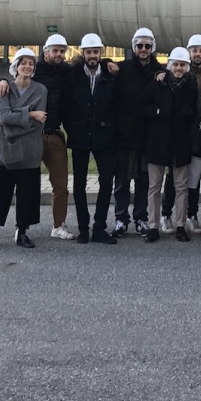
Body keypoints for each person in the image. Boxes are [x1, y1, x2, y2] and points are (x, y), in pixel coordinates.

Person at [0, 33, 73, 240]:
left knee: (60, 185)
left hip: (54, 133)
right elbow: (15, 81)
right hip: (30, 135)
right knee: (26, 184)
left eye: (62, 51)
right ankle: (22, 227)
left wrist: (109, 62)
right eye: (54, 51)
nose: (59, 54)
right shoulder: (34, 70)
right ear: (45, 52)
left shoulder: (66, 71)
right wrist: (2, 79)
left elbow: (85, 63)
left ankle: (59, 225)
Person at [0, 48, 48, 250]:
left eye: (31, 63)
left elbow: (38, 122)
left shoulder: (41, 90)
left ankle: (22, 232)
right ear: (16, 66)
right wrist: (30, 114)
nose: (27, 66)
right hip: (5, 150)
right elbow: (4, 116)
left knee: (27, 193)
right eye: (23, 63)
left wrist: (13, 122)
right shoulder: (5, 88)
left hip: (30, 150)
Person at [62, 33, 119, 244]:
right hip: (80, 137)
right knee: (79, 183)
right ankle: (83, 228)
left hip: (105, 137)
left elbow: (116, 107)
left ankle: (99, 228)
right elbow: (66, 107)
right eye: (89, 52)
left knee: (106, 182)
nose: (92, 56)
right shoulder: (73, 75)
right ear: (83, 53)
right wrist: (73, 128)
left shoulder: (110, 75)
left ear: (100, 53)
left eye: (96, 52)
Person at [145, 47, 198, 243]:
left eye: (182, 65)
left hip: (181, 142)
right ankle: (153, 226)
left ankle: (180, 225)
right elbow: (143, 106)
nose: (178, 68)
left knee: (181, 187)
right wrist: (158, 112)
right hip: (158, 141)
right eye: (175, 64)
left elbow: (195, 111)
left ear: (187, 67)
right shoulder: (157, 83)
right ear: (169, 66)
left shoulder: (191, 86)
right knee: (154, 187)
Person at [111, 27, 159, 237]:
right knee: (122, 181)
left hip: (147, 136)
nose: (143, 49)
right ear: (133, 47)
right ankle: (121, 219)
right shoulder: (122, 68)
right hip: (125, 134)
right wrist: (105, 62)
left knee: (143, 180)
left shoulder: (159, 71)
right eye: (139, 45)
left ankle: (141, 218)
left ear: (152, 48)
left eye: (147, 46)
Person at [163, 33, 201, 234]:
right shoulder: (179, 73)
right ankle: (166, 214)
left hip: (200, 133)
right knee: (173, 177)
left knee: (194, 178)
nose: (197, 54)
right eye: (194, 50)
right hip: (181, 133)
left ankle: (191, 214)